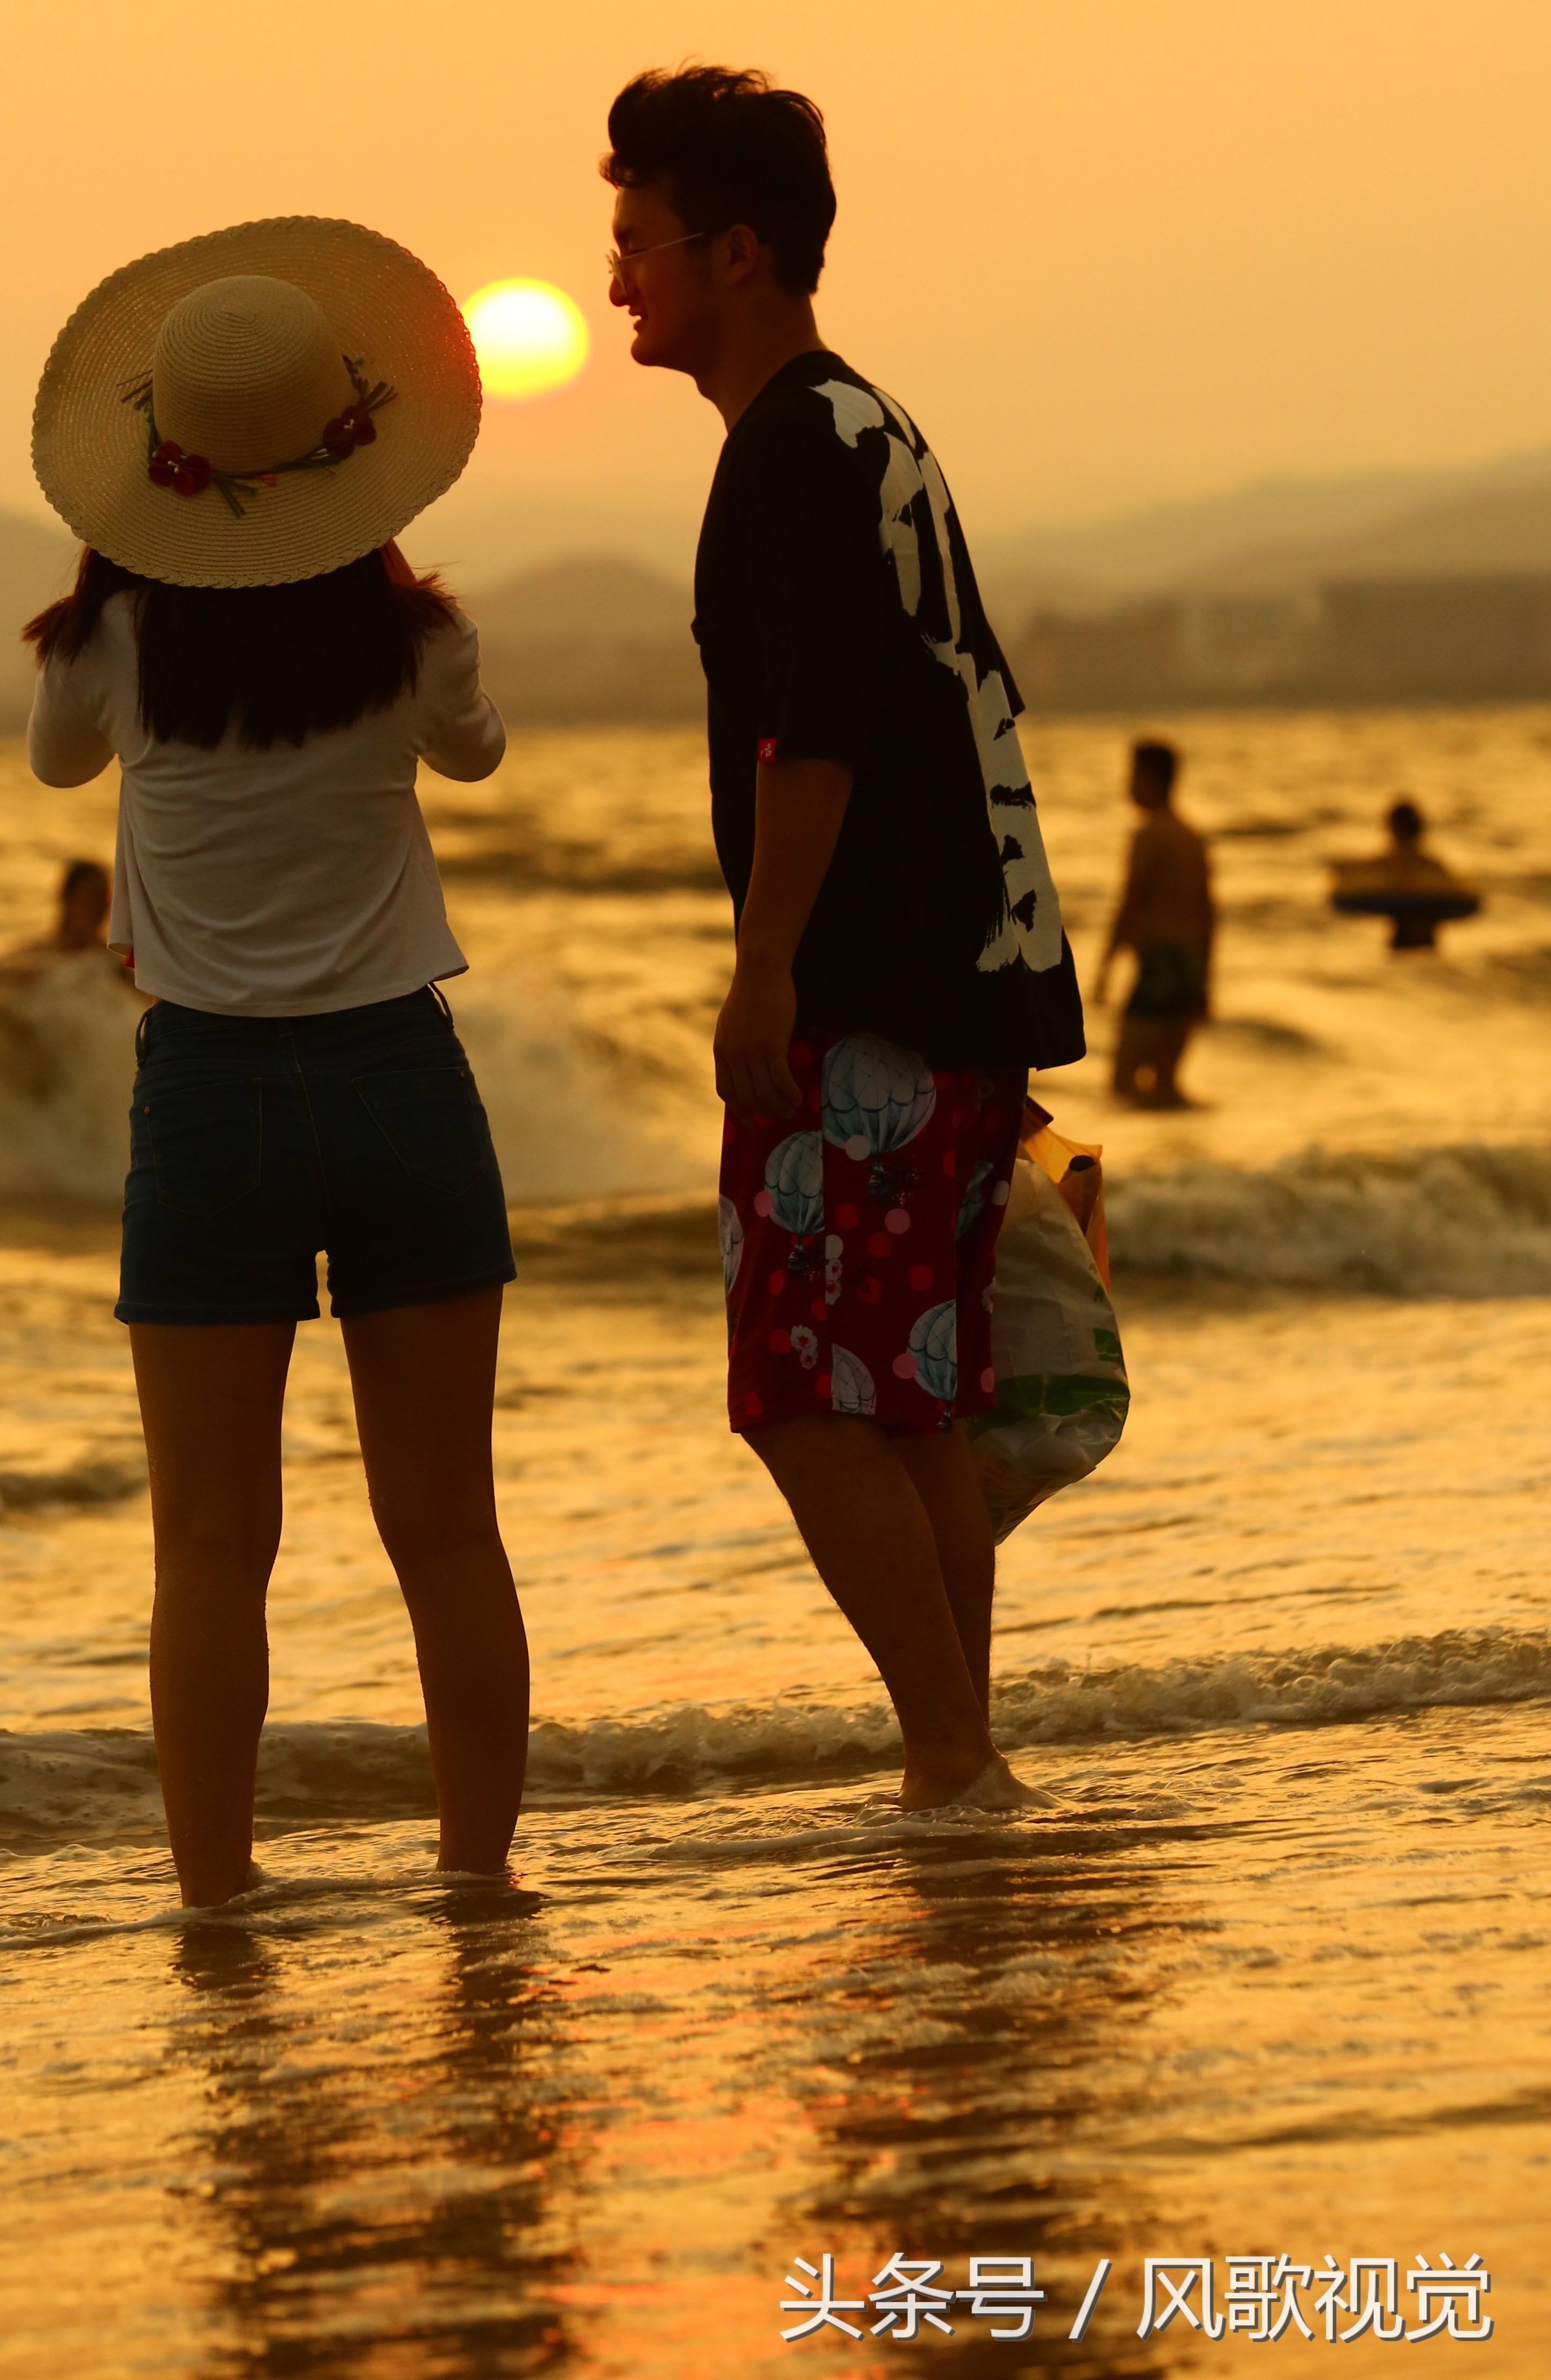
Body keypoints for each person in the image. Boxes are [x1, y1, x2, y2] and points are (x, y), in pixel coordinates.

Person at [23, 220, 528, 1905]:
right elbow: (477, 755)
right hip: (400, 1080)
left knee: (212, 1550)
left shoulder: (113, 648)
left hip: (211, 1098)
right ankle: (473, 1884)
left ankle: (219, 1908)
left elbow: (50, 766)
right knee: (446, 1532)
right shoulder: (417, 644)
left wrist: (120, 569)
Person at [604, 68, 1085, 1810]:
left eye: (639, 242)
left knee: (804, 1391)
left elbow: (812, 736)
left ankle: (952, 1753)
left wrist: (763, 965)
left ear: (736, 250)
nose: (615, 282)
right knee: (910, 1402)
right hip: (974, 973)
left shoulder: (787, 452)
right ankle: (957, 1757)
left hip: (873, 995)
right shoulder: (877, 429)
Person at [1096, 739, 1214, 1106]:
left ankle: (1149, 1159)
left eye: (1132, 775)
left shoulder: (1149, 835)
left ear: (1151, 779)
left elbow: (1130, 902)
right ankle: (1184, 1152)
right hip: (1191, 964)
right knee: (1166, 1082)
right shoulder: (1191, 837)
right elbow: (1210, 912)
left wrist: (1105, 967)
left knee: (1122, 1080)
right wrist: (1206, 979)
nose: (1127, 785)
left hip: (1161, 966)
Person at [1330, 799, 1480, 951]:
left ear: (1392, 830)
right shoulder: (1434, 869)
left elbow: (1343, 876)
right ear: (1421, 831)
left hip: (1403, 939)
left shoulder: (1383, 866)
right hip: (1425, 938)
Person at [0, 857, 116, 991]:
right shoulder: (36, 954)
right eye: (93, 897)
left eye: (105, 899)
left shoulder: (113, 966)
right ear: (67, 898)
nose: (100, 907)